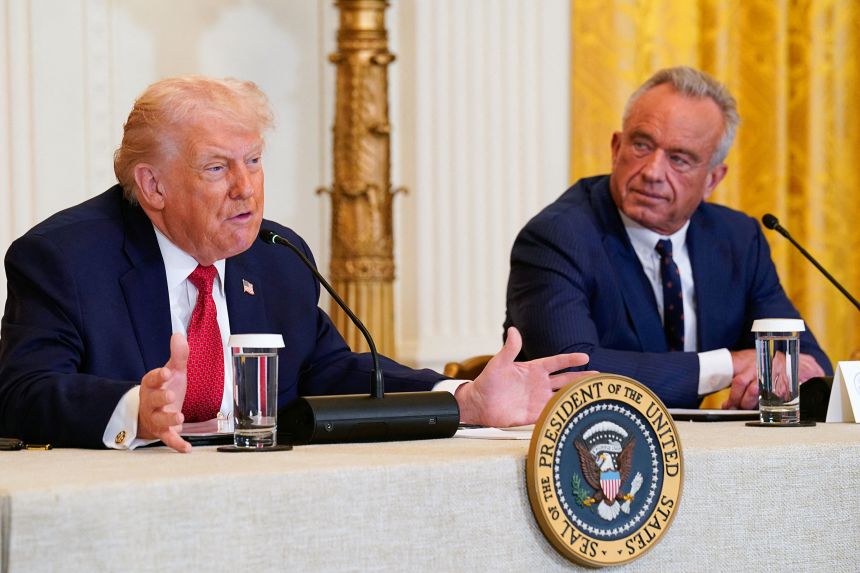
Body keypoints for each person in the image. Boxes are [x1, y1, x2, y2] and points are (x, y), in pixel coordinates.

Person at [0, 76, 593, 452]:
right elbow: (22, 391)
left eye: (253, 161)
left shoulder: (277, 257)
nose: (246, 189)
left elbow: (331, 372)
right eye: (216, 168)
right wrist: (135, 408)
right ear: (152, 186)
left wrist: (463, 399)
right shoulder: (65, 258)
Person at [505, 66, 831, 411]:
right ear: (616, 148)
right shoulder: (557, 238)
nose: (652, 172)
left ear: (712, 179)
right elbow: (573, 372)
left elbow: (804, 354)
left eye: (679, 159)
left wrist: (786, 371)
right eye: (642, 145)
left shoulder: (737, 240)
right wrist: (730, 366)